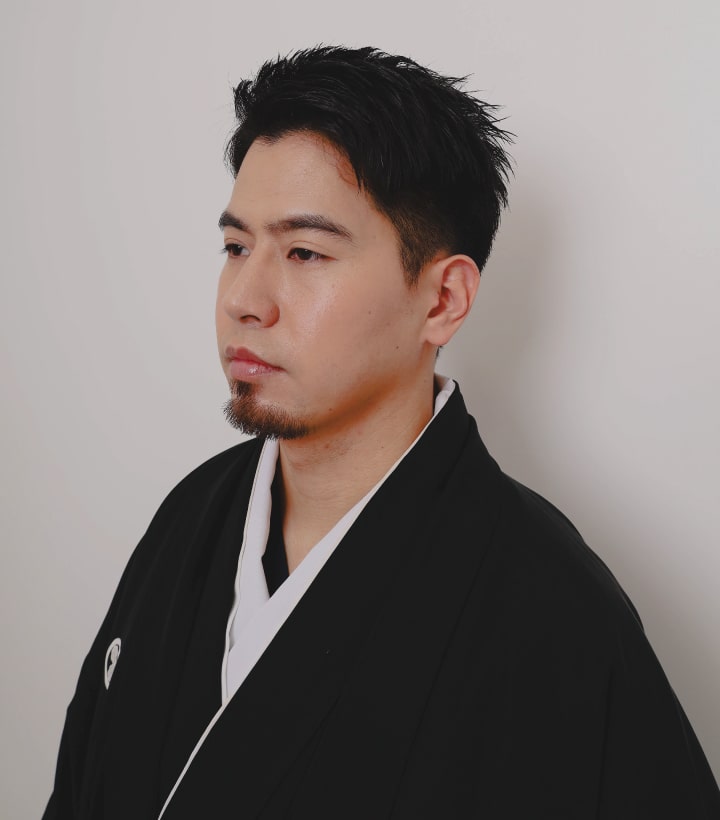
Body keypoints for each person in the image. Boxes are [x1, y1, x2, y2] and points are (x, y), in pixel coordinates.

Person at [43, 46, 720, 820]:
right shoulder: (191, 517)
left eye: (304, 252)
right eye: (236, 247)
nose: (244, 299)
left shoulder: (551, 611)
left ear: (443, 300)